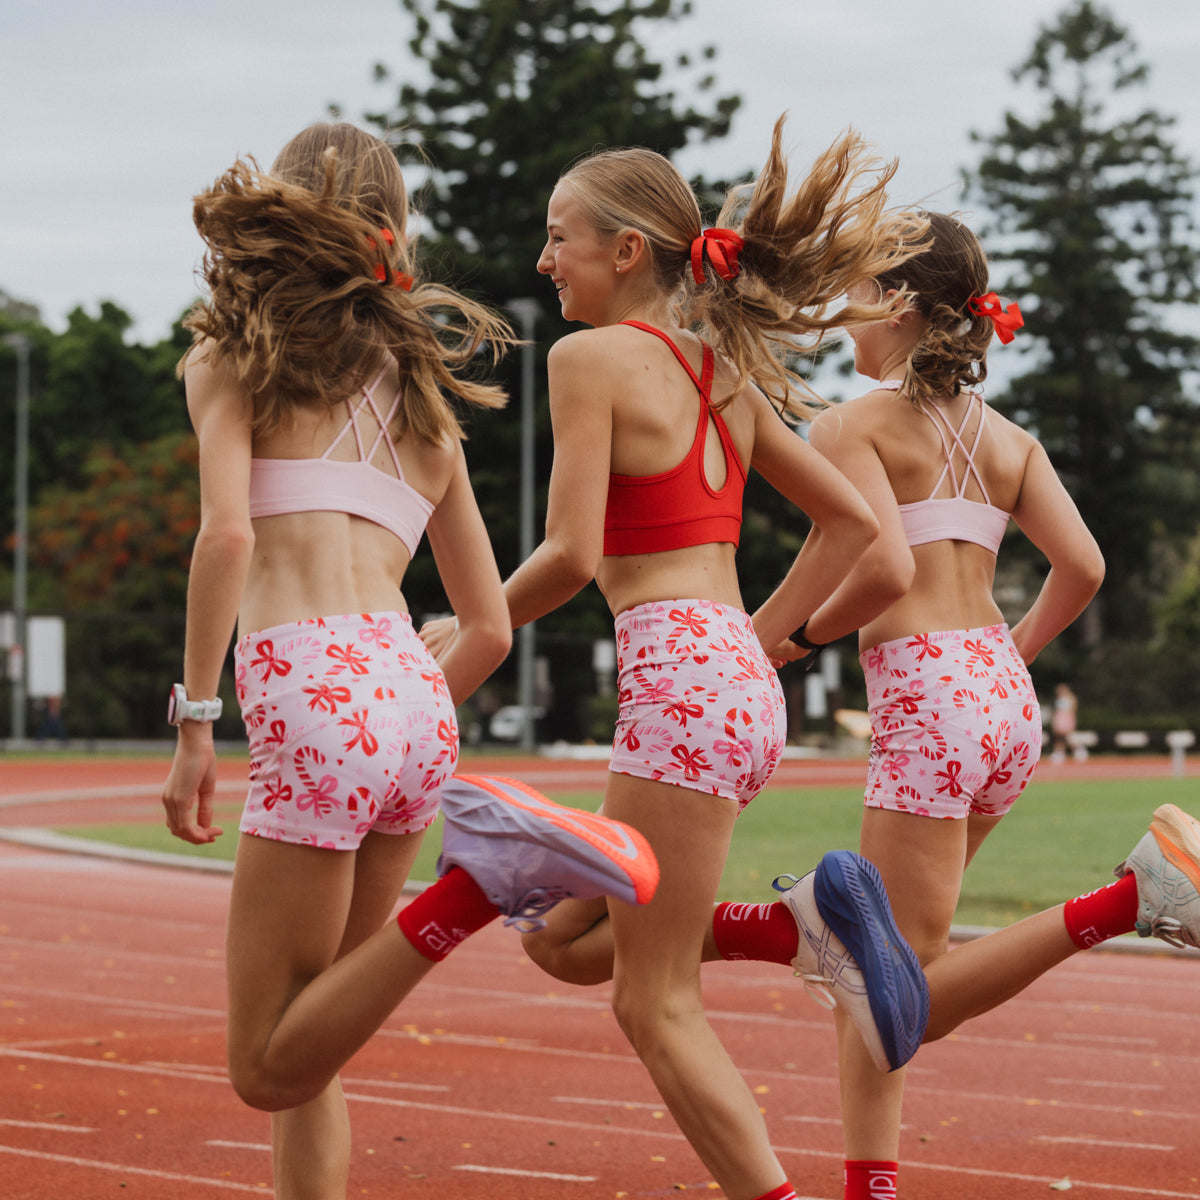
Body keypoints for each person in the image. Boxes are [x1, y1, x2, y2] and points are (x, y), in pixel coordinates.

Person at [423, 117, 932, 1200]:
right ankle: (790, 927)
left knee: (651, 1003)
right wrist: (760, 645)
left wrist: (463, 637)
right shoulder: (725, 373)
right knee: (561, 945)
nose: (542, 259)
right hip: (732, 686)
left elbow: (569, 554)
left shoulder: (589, 357)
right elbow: (858, 533)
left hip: (680, 684)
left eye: (559, 238)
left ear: (626, 251)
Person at [159, 122, 660, 1200]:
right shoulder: (424, 399)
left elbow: (228, 537)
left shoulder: (232, 353)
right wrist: (397, 704)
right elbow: (487, 625)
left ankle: (474, 888)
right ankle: (473, 883)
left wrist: (196, 723)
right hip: (409, 693)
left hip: (311, 680)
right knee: (313, 1042)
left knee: (260, 1065)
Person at [797, 210, 1200, 1200]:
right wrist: (1008, 656)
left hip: (928, 701)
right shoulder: (1009, 439)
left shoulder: (853, 427)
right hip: (995, 694)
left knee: (898, 987)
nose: (842, 309)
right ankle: (870, 1182)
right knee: (874, 969)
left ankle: (1130, 899)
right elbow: (1085, 564)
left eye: (855, 286)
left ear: (896, 304)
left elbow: (881, 573)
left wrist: (794, 638)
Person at [1050, 680, 1078, 763]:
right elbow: (1057, 710)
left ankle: (1077, 750)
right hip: (1059, 718)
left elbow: (1073, 709)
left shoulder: (1071, 697)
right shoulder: (1058, 698)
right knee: (1059, 737)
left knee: (1067, 737)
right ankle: (1059, 752)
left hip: (1066, 718)